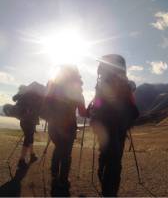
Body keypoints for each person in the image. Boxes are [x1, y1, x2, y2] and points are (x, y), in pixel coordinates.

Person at [89, 54, 139, 196]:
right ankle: (109, 192)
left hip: (103, 125)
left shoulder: (101, 83)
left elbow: (97, 103)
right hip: (119, 126)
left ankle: (103, 179)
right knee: (115, 161)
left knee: (106, 154)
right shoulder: (125, 84)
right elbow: (133, 109)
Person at [45, 65, 87, 196]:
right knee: (66, 153)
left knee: (58, 148)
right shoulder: (77, 89)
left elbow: (46, 103)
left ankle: (54, 175)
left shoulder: (53, 85)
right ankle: (63, 180)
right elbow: (82, 112)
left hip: (53, 125)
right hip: (68, 126)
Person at [13, 86, 39, 169]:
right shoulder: (30, 98)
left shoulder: (21, 98)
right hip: (29, 122)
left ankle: (32, 155)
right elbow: (34, 110)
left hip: (24, 122)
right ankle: (21, 160)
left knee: (30, 138)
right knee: (28, 139)